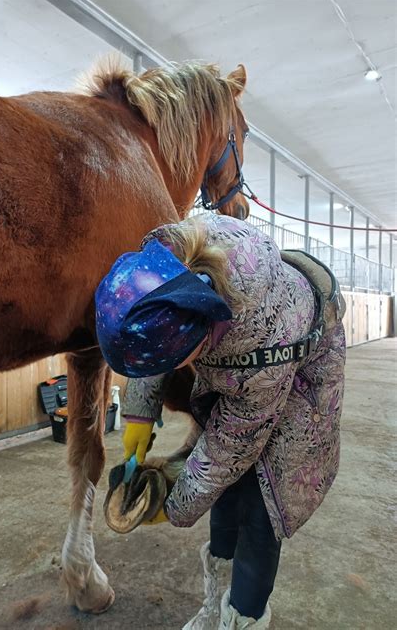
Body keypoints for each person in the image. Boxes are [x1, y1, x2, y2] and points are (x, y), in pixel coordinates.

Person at [95, 213, 346, 630]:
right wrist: (139, 411)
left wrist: (173, 507)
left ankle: (241, 618)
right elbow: (153, 322)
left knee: (261, 504)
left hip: (303, 367)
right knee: (225, 494)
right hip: (250, 332)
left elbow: (230, 448)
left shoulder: (259, 353)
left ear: (195, 340)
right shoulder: (169, 261)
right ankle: (214, 606)